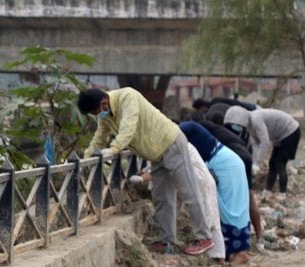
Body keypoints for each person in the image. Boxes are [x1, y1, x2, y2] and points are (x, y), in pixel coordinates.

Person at [77, 87, 215, 256]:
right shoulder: (105, 115)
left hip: (170, 143)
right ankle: (167, 241)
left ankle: (204, 237)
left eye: (95, 112)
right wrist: (87, 157)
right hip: (155, 154)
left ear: (103, 103)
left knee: (189, 191)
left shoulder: (127, 97)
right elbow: (100, 136)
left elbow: (129, 126)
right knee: (162, 198)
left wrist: (114, 149)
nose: (97, 116)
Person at [180, 121, 253, 262]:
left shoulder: (184, 130)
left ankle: (238, 252)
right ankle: (229, 252)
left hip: (226, 166)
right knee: (229, 206)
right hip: (227, 163)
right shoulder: (188, 128)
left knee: (230, 209)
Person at [223, 106, 302, 195]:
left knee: (280, 163)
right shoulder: (249, 126)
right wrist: (254, 163)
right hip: (279, 136)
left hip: (290, 131)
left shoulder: (256, 119)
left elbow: (265, 141)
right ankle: (267, 192)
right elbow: (256, 144)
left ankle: (282, 194)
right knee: (272, 163)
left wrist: (258, 163)